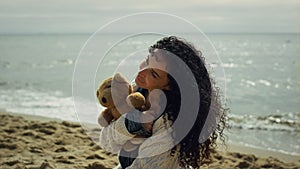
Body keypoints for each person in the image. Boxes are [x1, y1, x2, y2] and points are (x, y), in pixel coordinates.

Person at [99, 36, 227, 169]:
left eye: (153, 74)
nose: (142, 71)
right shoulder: (138, 90)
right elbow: (106, 142)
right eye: (147, 61)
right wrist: (132, 123)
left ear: (170, 86)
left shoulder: (171, 123)